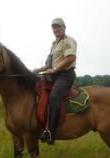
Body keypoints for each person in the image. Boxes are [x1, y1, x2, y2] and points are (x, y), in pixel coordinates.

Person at [33, 17, 77, 145]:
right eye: (54, 27)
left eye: (58, 26)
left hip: (65, 75)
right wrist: (38, 69)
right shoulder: (54, 44)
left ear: (64, 28)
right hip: (53, 75)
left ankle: (51, 133)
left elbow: (70, 58)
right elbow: (49, 64)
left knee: (54, 97)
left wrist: (56, 69)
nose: (56, 29)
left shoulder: (69, 41)